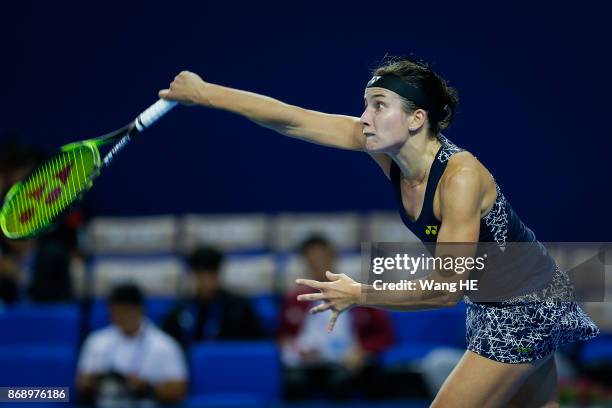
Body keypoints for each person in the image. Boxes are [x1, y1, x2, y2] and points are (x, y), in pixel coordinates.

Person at [158, 56, 599, 407]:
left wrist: (360, 293)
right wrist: (206, 93)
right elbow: (291, 118)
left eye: (379, 105)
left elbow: (446, 290)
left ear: (415, 119)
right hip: (495, 304)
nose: (364, 117)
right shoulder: (385, 151)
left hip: (526, 305)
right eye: (366, 104)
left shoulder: (460, 178)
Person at [278, 234, 393, 399]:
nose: (318, 263)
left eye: (322, 257)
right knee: (293, 383)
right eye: (312, 259)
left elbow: (385, 336)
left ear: (333, 256)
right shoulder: (294, 300)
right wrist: (294, 348)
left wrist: (362, 351)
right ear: (304, 261)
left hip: (347, 362)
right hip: (306, 365)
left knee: (341, 383)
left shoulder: (359, 294)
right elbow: (282, 336)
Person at [76, 283, 187, 407]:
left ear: (140, 310)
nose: (120, 318)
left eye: (125, 312)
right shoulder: (96, 341)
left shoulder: (165, 345)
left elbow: (179, 389)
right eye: (115, 312)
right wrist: (97, 380)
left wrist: (146, 387)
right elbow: (82, 382)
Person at [162, 246, 264, 348]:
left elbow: (259, 345)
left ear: (218, 275)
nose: (205, 281)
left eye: (210, 274)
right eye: (200, 274)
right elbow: (167, 345)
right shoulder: (180, 310)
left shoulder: (240, 308)